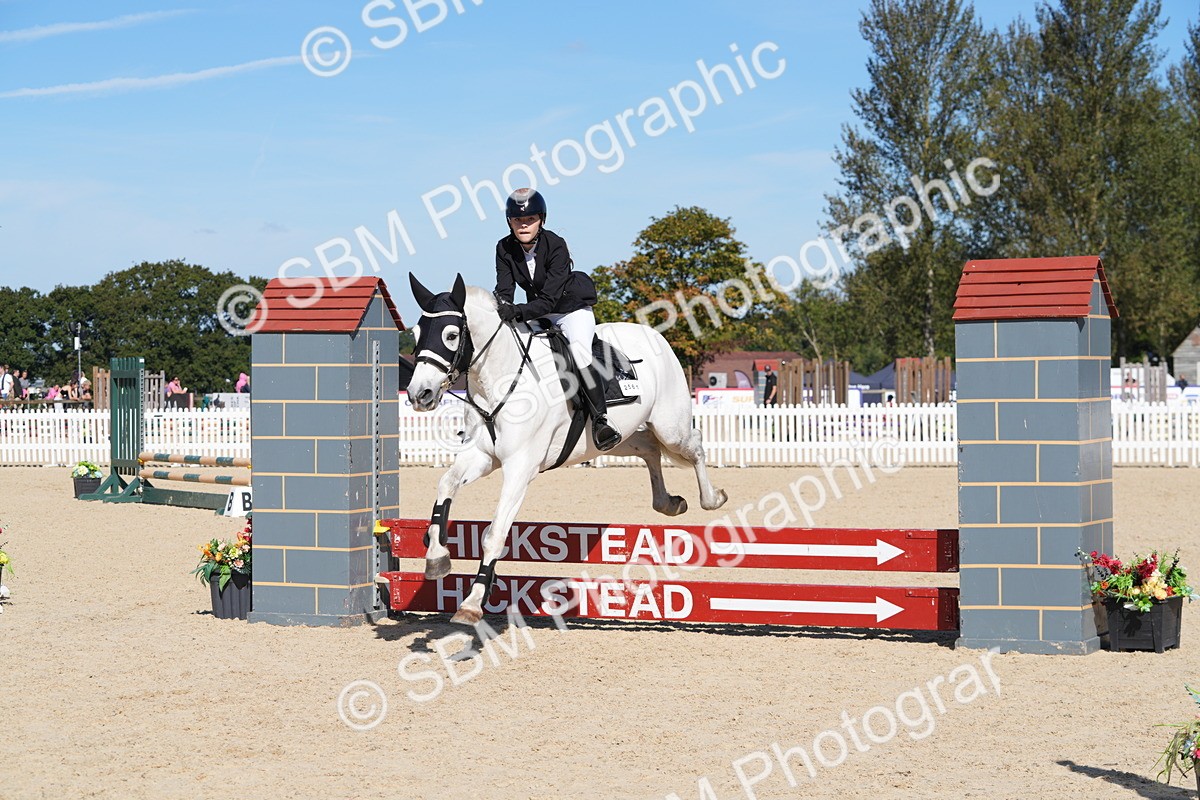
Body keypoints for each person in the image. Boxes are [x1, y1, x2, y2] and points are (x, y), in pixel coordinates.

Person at [494, 188, 620, 451]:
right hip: (538, 313)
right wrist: (502, 307)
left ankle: (601, 421)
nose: (523, 224)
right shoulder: (504, 248)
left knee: (580, 353)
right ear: (509, 222)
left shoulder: (556, 245)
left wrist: (517, 311)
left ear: (542, 219)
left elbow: (550, 300)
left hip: (569, 310)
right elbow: (505, 290)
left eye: (530, 219)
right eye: (518, 220)